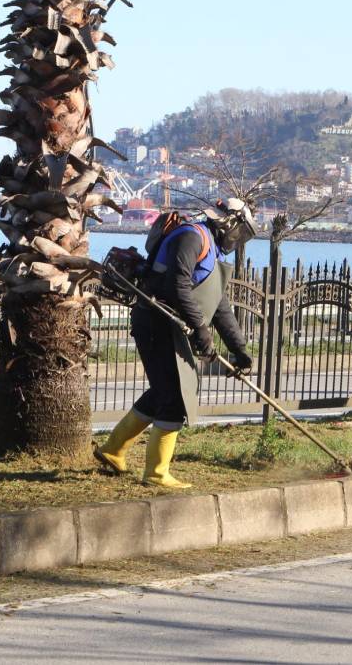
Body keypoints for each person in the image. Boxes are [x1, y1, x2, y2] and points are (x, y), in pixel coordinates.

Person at [94, 199, 257, 488]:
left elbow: (220, 306)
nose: (238, 239)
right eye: (240, 231)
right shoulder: (192, 237)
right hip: (155, 322)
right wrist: (201, 330)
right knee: (174, 396)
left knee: (163, 392)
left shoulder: (211, 247)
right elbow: (176, 285)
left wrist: (240, 351)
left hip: (170, 326)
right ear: (229, 223)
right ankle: (156, 474)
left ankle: (113, 450)